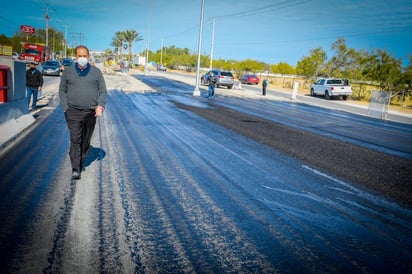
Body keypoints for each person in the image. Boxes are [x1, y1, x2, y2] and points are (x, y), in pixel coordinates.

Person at [59, 45, 107, 180]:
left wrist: (100, 106)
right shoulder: (68, 71)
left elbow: (103, 91)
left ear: (88, 56)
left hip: (90, 112)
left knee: (85, 140)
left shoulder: (96, 72)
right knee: (75, 139)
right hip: (72, 111)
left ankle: (81, 158)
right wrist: (65, 107)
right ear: (75, 57)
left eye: (84, 56)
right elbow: (62, 90)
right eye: (79, 56)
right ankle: (76, 167)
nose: (82, 58)